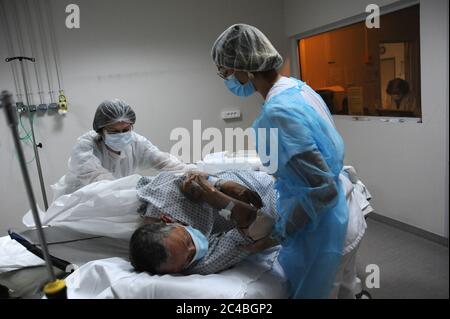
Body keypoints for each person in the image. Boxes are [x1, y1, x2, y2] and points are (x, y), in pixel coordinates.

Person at [211, 24, 366, 298]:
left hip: (325, 226)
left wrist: (279, 233)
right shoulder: (296, 88)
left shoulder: (278, 112)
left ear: (245, 68)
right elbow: (313, 157)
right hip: (346, 206)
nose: (226, 78)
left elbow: (321, 190)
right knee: (347, 289)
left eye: (226, 70)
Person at [129, 170, 278, 275]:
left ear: (168, 220)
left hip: (252, 178)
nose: (196, 249)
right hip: (273, 203)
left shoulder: (161, 193)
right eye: (188, 259)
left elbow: (194, 175)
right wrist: (214, 196)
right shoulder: (198, 264)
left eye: (188, 241)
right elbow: (259, 225)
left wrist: (219, 184)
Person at [51, 99, 194, 200]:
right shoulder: (86, 145)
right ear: (101, 131)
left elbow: (166, 163)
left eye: (126, 130)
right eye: (113, 131)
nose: (121, 135)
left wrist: (194, 173)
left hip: (115, 196)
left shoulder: (137, 141)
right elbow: (99, 181)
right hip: (79, 200)